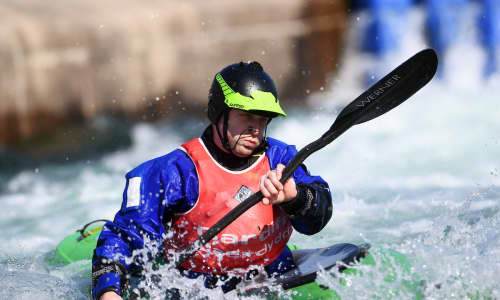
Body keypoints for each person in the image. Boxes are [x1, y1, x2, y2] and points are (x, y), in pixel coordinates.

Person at [92, 61, 333, 300]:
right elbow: (123, 237)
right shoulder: (177, 172)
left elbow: (317, 216)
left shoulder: (281, 159)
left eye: (263, 120)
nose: (256, 129)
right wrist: (109, 291)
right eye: (247, 117)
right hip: (198, 289)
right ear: (219, 114)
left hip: (274, 274)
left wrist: (295, 197)